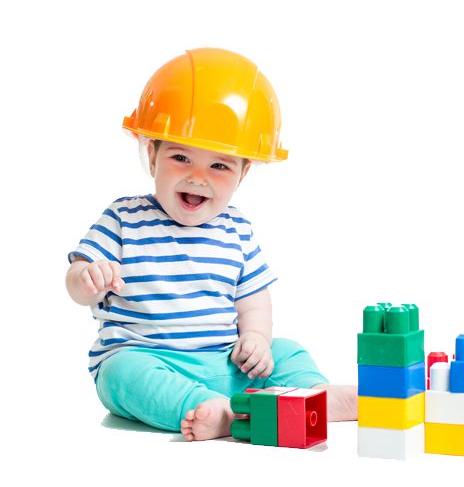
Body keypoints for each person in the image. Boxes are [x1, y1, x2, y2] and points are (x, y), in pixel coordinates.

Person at [65, 47, 357, 441]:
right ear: (152, 155)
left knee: (287, 348)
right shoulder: (123, 218)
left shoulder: (237, 228)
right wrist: (87, 278)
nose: (198, 177)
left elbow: (254, 299)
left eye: (219, 165)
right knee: (119, 376)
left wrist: (256, 339)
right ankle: (206, 409)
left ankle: (310, 394)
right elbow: (75, 278)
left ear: (244, 171)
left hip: (226, 362)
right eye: (181, 157)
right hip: (149, 359)